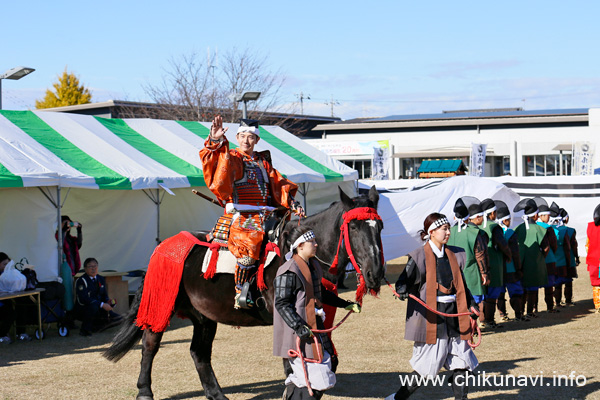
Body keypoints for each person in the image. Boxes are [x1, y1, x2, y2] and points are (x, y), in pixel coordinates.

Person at [200, 115, 305, 309]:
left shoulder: (263, 163)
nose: (246, 141)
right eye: (242, 136)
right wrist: (215, 142)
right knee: (250, 245)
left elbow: (278, 185)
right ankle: (240, 290)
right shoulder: (231, 158)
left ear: (257, 140)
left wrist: (293, 203)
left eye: (250, 137)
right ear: (237, 138)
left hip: (268, 214)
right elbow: (216, 167)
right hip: (243, 216)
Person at [389, 213, 479, 400]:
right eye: (444, 229)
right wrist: (403, 290)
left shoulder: (454, 254)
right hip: (432, 318)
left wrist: (471, 304)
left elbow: (461, 284)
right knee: (425, 367)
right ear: (431, 232)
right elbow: (403, 282)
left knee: (461, 363)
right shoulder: (419, 255)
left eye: (448, 228)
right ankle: (397, 398)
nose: (448, 232)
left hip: (455, 316)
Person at [273, 226, 360, 400]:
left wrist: (345, 304)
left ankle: (292, 390)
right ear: (300, 246)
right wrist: (299, 326)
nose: (316, 244)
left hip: (313, 327)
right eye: (311, 242)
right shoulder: (289, 270)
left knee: (328, 364)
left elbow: (319, 291)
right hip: (299, 333)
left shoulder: (311, 266)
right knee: (317, 380)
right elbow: (281, 303)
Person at [447, 197, 490, 322]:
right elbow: (480, 254)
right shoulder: (474, 232)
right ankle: (473, 327)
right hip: (472, 273)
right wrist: (484, 273)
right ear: (468, 217)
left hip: (453, 274)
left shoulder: (448, 231)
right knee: (475, 302)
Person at [513, 198, 550, 318]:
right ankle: (530, 311)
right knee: (533, 289)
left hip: (520, 263)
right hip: (534, 263)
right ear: (535, 216)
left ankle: (521, 312)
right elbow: (546, 247)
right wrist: (540, 257)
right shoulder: (540, 229)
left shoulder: (518, 229)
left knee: (522, 288)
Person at [478, 198, 512, 328]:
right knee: (492, 293)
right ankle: (490, 320)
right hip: (494, 263)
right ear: (491, 213)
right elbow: (502, 245)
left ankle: (481, 320)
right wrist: (508, 255)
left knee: (482, 293)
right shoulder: (494, 227)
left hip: (480, 264)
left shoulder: (478, 225)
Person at [493, 201, 528, 322]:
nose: (509, 222)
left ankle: (502, 315)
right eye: (508, 220)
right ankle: (518, 314)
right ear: (504, 220)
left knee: (500, 293)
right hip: (511, 268)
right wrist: (519, 268)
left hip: (497, 268)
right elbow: (515, 254)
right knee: (516, 292)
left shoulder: (492, 231)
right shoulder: (511, 233)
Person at [74, 258, 122, 336]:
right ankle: (85, 329)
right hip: (84, 309)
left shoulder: (100, 278)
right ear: (85, 269)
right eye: (90, 266)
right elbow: (84, 299)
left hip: (99, 308)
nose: (93, 268)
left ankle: (98, 327)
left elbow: (104, 296)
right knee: (93, 307)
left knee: (120, 319)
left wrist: (109, 302)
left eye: (95, 266)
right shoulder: (81, 280)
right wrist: (102, 304)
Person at [533, 197, 560, 313]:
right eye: (546, 215)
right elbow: (553, 245)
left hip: (536, 261)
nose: (548, 217)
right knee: (549, 285)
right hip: (548, 259)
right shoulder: (548, 228)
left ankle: (534, 309)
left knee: (535, 287)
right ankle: (550, 307)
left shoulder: (533, 227)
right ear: (541, 216)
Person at [0, 252, 32, 343]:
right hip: (2, 303)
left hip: (7, 299)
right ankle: (2, 334)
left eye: (8, 264)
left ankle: (21, 333)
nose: (6, 266)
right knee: (10, 313)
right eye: (4, 264)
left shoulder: (8, 274)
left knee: (22, 305)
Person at [586, 204, 600, 313]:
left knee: (596, 284)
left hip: (594, 260)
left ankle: (598, 306)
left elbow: (587, 246)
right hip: (595, 260)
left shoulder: (590, 227)